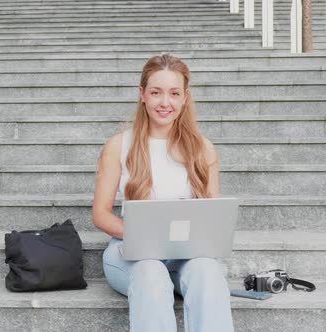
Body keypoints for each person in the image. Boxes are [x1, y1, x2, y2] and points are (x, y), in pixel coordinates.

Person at [92, 54, 234, 332]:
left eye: (174, 93)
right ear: (142, 94)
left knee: (207, 272)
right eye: (156, 92)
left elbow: (213, 213)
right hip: (131, 253)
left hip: (187, 254)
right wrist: (143, 237)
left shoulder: (203, 149)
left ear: (185, 98)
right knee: (151, 273)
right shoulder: (118, 145)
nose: (164, 102)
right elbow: (100, 214)